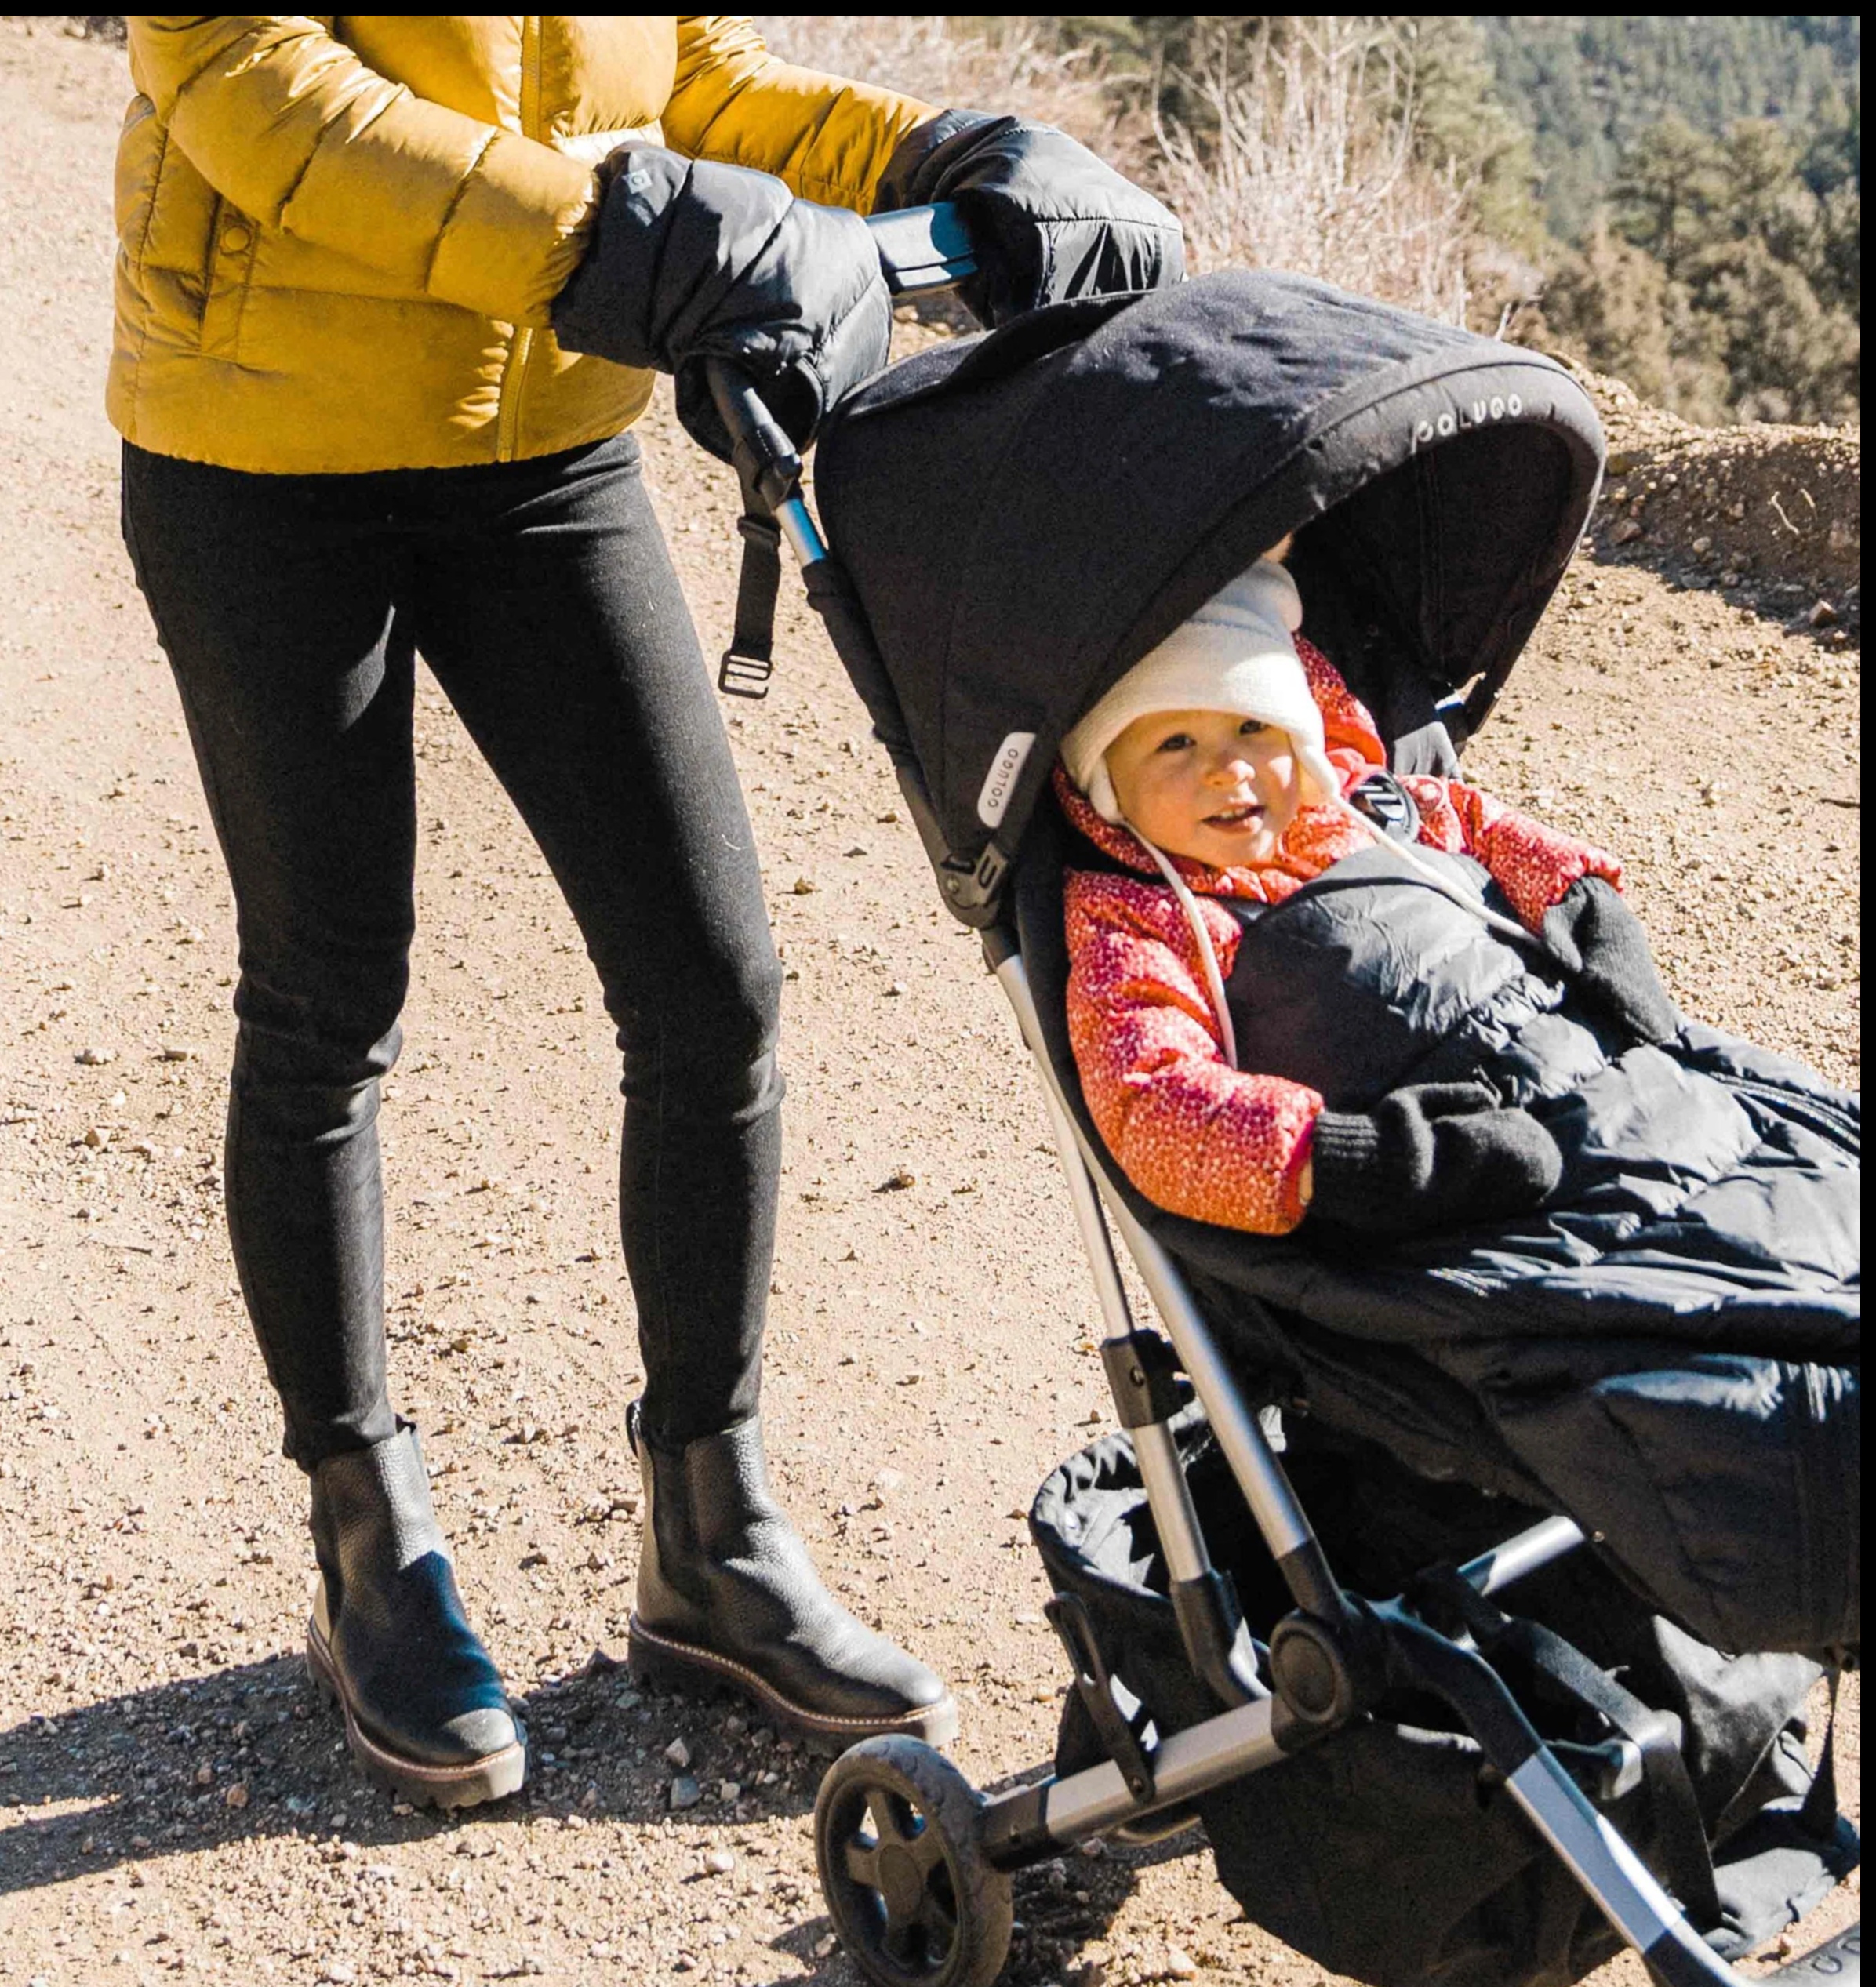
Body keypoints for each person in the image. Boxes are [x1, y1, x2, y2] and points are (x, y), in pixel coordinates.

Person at [108, 15, 1182, 1809]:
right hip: (266, 456)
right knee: (326, 994)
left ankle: (709, 1524)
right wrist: (608, 244)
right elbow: (247, 82)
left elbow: (683, 77)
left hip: (551, 440)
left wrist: (931, 159)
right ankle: (369, 1536)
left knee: (712, 986)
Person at [1056, 554, 1665, 1237]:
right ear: (1108, 785)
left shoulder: (1370, 811)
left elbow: (1490, 830)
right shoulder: (1139, 925)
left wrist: (1592, 914)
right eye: (1174, 742)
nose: (1228, 770)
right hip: (1430, 1162)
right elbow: (1153, 1102)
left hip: (1591, 1061)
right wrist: (1358, 1162)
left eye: (1254, 726)